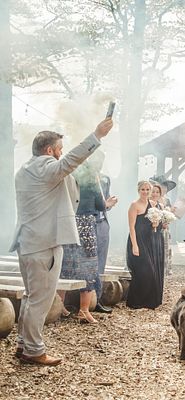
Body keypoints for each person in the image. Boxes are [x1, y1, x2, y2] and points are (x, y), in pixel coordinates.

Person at [10, 118, 113, 366]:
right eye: (59, 149)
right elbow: (70, 162)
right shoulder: (46, 169)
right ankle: (34, 350)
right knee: (40, 300)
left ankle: (24, 344)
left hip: (27, 243)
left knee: (31, 297)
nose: (61, 154)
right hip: (44, 245)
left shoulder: (24, 170)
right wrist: (96, 135)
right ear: (49, 150)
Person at [58, 162, 107, 324]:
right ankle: (83, 311)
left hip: (68, 224)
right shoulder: (91, 180)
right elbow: (101, 205)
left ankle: (60, 307)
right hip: (85, 226)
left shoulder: (67, 177)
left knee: (66, 264)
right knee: (88, 266)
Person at [126, 181, 165, 309]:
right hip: (138, 240)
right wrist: (134, 245)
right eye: (143, 189)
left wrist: (155, 224)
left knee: (152, 271)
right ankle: (135, 301)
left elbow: (156, 223)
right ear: (139, 190)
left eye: (148, 189)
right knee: (144, 271)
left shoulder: (153, 205)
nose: (145, 192)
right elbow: (131, 227)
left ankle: (149, 301)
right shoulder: (134, 205)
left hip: (149, 241)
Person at [88, 150, 117, 314]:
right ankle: (84, 301)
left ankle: (96, 299)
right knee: (88, 261)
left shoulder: (105, 179)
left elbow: (105, 202)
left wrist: (109, 204)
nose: (98, 163)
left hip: (103, 223)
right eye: (96, 160)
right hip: (88, 223)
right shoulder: (84, 179)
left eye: (101, 160)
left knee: (101, 262)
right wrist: (105, 204)